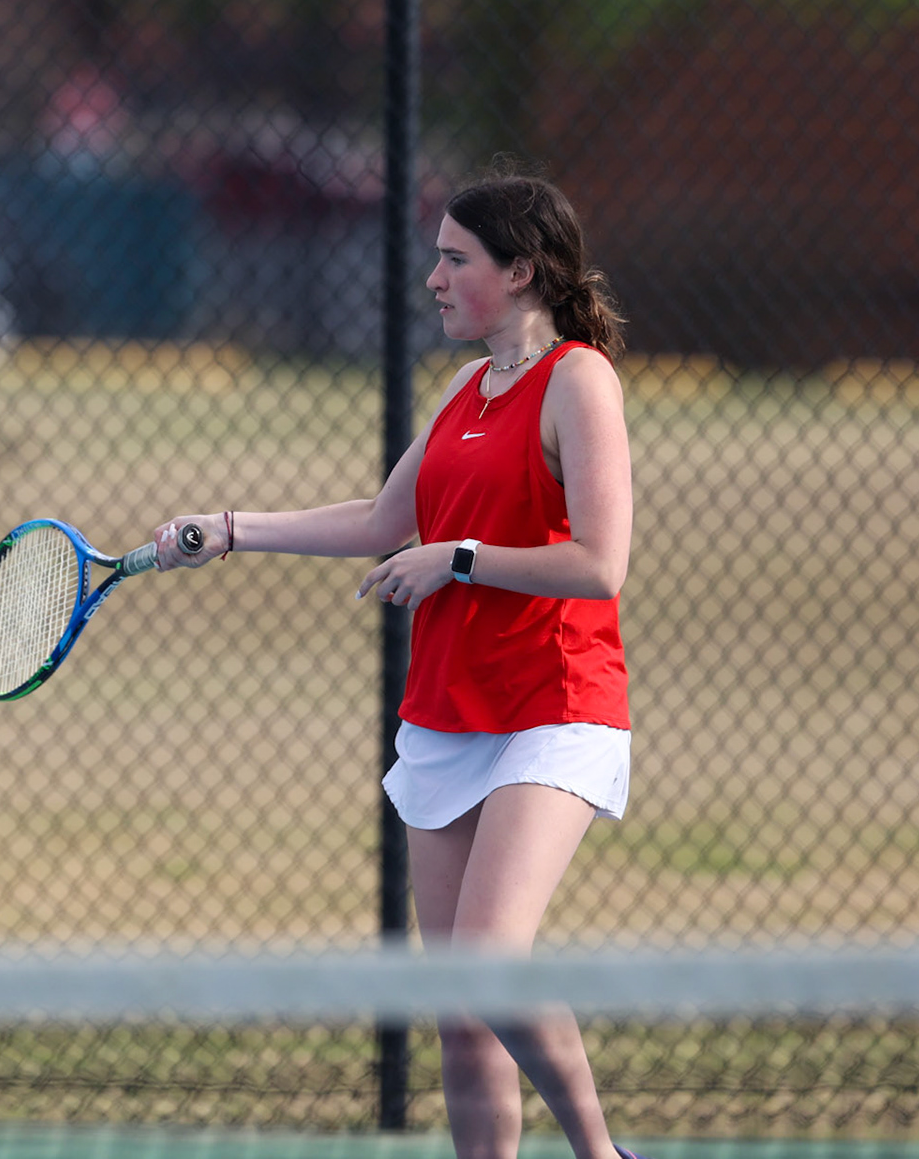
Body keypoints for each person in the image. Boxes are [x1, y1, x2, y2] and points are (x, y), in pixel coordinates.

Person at [154, 165, 644, 1159]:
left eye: (455, 258)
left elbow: (600, 562)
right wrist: (234, 528)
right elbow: (386, 520)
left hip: (555, 704)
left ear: (521, 271)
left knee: (490, 960)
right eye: (435, 256)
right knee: (456, 1006)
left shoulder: (578, 379)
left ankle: (603, 1155)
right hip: (447, 712)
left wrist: (457, 559)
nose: (433, 276)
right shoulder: (469, 387)